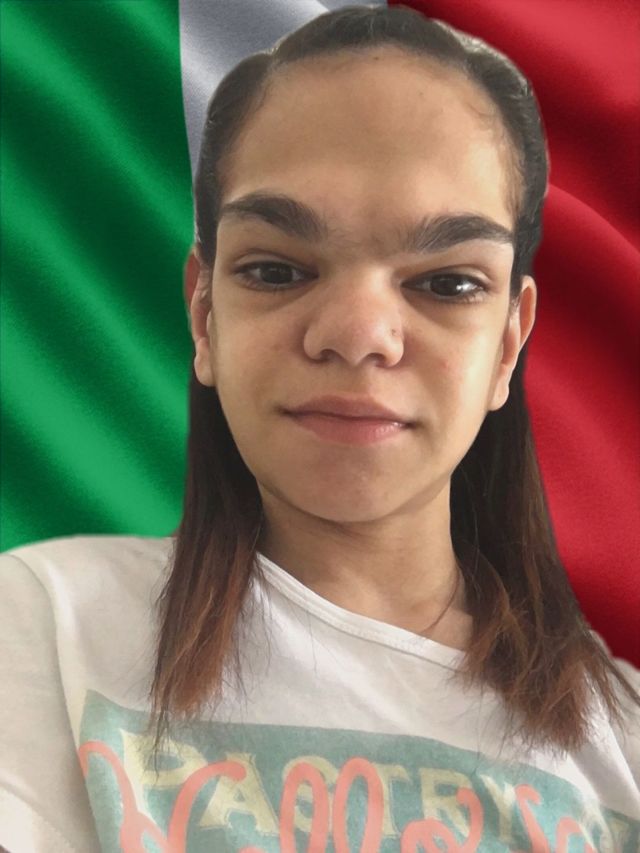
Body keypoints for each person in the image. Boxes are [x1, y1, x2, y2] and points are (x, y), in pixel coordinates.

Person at [1, 5, 638, 852]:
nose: (357, 334)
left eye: (448, 283)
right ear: (204, 316)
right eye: (276, 269)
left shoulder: (624, 742)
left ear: (508, 344)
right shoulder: (39, 624)